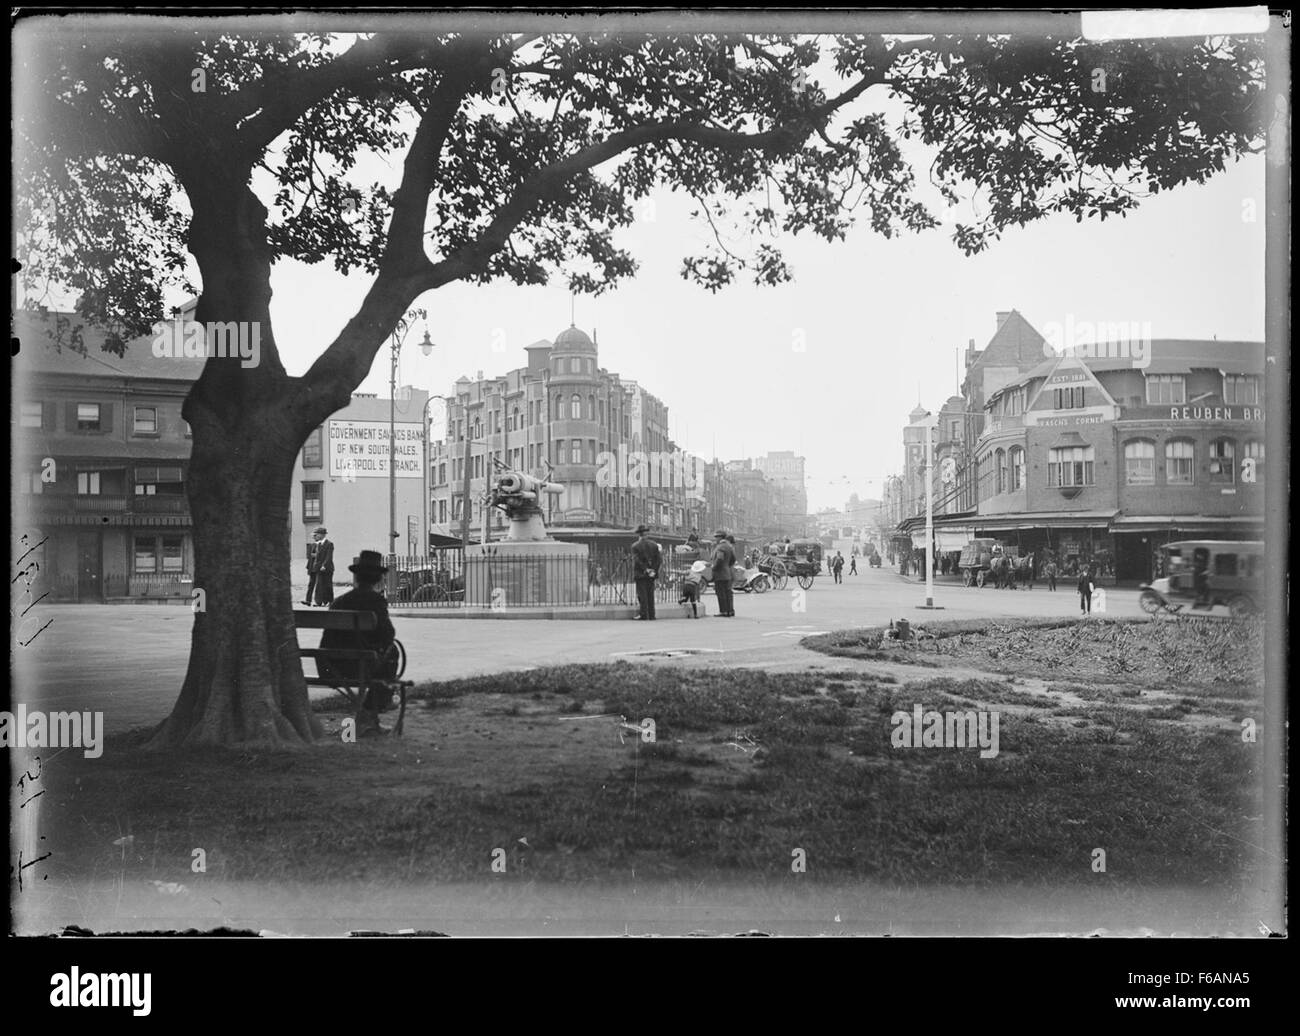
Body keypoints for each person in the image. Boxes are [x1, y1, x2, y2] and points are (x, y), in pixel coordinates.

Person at [319, 550, 397, 735]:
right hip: (362, 667)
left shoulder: (339, 602)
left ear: (356, 576)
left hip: (332, 666)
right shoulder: (376, 601)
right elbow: (388, 634)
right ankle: (372, 710)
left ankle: (365, 719)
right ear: (378, 579)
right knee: (392, 652)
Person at [631, 524, 662, 620]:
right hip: (651, 574)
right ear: (647, 534)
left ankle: (644, 614)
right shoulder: (654, 545)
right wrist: (653, 570)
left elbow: (637, 560)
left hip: (641, 574)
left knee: (642, 595)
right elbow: (659, 560)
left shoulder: (635, 546)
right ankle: (652, 614)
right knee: (650, 595)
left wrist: (646, 569)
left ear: (639, 535)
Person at [711, 529, 736, 617]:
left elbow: (719, 559)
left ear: (720, 537)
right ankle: (730, 610)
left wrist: (714, 568)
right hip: (727, 573)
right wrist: (727, 566)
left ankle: (723, 611)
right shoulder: (729, 546)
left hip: (720, 574)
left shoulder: (721, 547)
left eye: (716, 537)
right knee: (728, 593)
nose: (715, 539)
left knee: (721, 593)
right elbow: (733, 559)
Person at [310, 527, 335, 606]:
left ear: (321, 535)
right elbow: (317, 557)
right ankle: (319, 602)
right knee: (319, 585)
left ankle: (329, 601)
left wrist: (324, 565)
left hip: (327, 568)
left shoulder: (329, 544)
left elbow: (329, 556)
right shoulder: (318, 544)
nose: (315, 536)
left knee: (328, 585)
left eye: (316, 535)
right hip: (318, 568)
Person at [302, 535, 319, 605]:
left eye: (316, 536)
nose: (314, 538)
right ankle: (308, 600)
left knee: (319, 585)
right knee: (311, 584)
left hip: (319, 568)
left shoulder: (323, 545)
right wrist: (309, 568)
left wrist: (316, 555)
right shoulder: (312, 545)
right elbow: (309, 557)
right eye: (314, 536)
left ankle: (318, 601)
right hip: (312, 569)